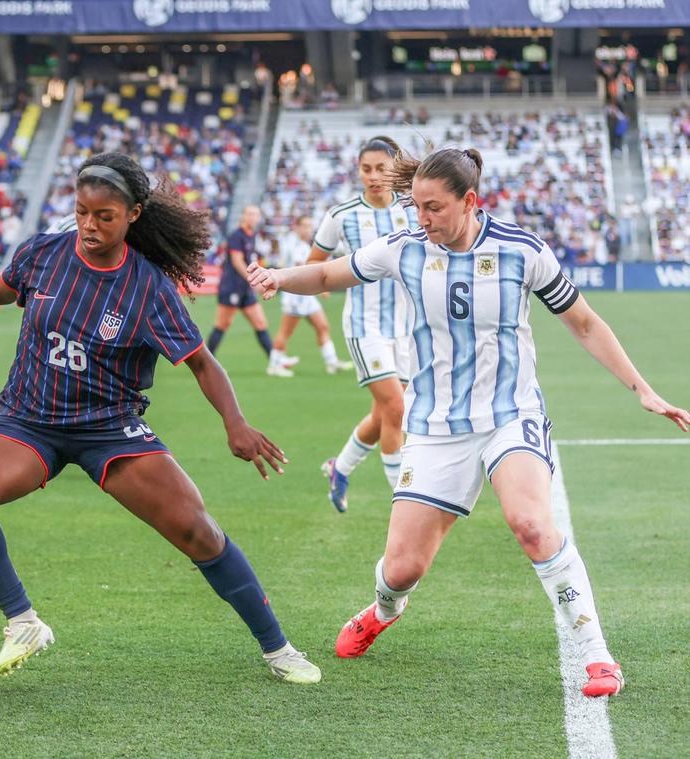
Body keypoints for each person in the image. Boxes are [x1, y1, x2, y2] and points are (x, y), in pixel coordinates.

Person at [248, 146, 690, 698]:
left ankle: (598, 656)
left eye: (433, 208)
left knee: (531, 524)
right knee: (401, 568)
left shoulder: (521, 251)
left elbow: (583, 322)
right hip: (435, 425)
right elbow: (330, 275)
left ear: (470, 202)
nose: (422, 219)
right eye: (417, 208)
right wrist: (278, 277)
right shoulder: (403, 248)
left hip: (510, 413)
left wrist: (643, 389)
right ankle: (385, 609)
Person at [0, 152, 322, 684]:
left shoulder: (149, 289)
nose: (89, 226)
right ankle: (24, 622)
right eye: (81, 212)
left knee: (198, 531)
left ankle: (278, 647)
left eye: (104, 216)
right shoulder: (45, 254)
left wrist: (235, 424)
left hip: (110, 428)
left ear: (134, 215)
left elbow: (202, 363)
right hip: (27, 418)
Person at [309, 136, 418, 512]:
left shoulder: (411, 209)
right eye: (366, 169)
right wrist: (327, 283)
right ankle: (404, 499)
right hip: (364, 326)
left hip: (405, 327)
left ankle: (340, 468)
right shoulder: (342, 215)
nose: (374, 176)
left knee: (384, 413)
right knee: (397, 409)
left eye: (381, 168)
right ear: (358, 170)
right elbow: (314, 264)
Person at [206, 206, 295, 377]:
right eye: (250, 214)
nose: (254, 217)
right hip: (231, 287)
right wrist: (254, 281)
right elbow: (237, 261)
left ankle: (275, 362)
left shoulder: (252, 236)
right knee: (222, 325)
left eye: (256, 214)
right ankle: (207, 363)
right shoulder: (236, 236)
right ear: (243, 217)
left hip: (245, 289)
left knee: (260, 323)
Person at [270, 214, 353, 376]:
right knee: (286, 331)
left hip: (306, 298)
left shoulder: (299, 243)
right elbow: (300, 267)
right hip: (296, 297)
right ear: (297, 227)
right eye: (305, 226)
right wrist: (322, 286)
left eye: (310, 226)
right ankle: (274, 364)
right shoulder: (296, 245)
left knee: (322, 326)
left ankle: (331, 361)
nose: (308, 230)